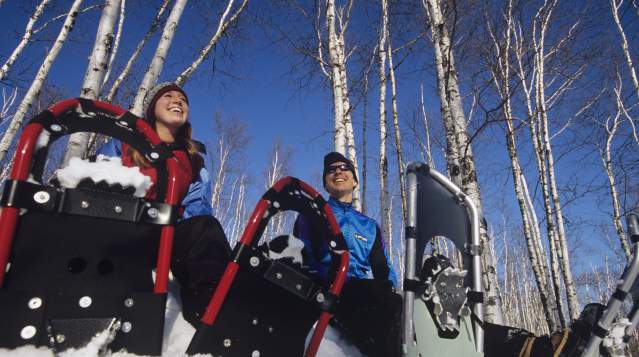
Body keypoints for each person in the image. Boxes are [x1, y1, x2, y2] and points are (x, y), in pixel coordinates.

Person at [97, 82, 231, 327]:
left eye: (183, 99)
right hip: (121, 228)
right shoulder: (124, 144)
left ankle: (212, 317)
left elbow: (197, 207)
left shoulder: (193, 161)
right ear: (151, 108)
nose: (177, 101)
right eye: (168, 96)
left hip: (166, 238)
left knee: (206, 229)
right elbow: (99, 178)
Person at [294, 151, 401, 357]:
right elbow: (303, 257)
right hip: (327, 291)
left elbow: (383, 269)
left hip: (364, 293)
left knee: (398, 310)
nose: (338, 172)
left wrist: (388, 292)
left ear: (354, 181)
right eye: (331, 170)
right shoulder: (312, 215)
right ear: (325, 184)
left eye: (344, 168)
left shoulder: (370, 226)